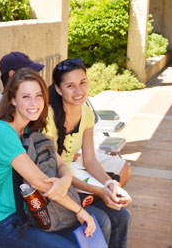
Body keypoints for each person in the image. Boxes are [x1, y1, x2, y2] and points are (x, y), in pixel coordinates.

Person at [0, 67, 109, 247]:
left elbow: (60, 165)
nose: (34, 103)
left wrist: (65, 179)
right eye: (26, 97)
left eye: (38, 95)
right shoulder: (1, 132)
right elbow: (41, 183)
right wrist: (79, 210)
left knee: (100, 221)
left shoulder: (30, 129)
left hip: (31, 211)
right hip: (2, 221)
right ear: (13, 100)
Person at [44, 58, 132, 248]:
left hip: (75, 180)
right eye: (70, 86)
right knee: (103, 221)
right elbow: (58, 170)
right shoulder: (49, 117)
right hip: (55, 184)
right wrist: (100, 190)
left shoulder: (86, 113)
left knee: (122, 216)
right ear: (59, 90)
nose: (79, 91)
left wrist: (110, 184)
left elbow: (90, 159)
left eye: (83, 83)